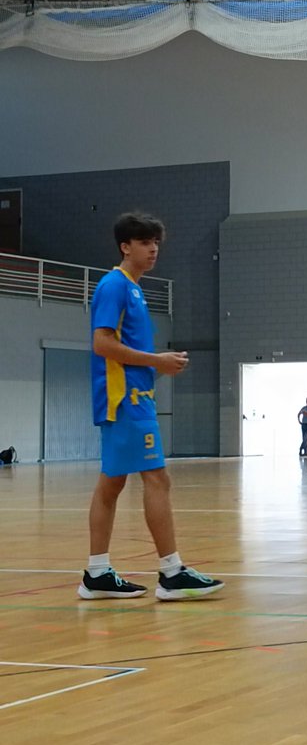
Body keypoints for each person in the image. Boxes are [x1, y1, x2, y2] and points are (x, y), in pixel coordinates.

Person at [78, 212, 224, 602]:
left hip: (134, 397)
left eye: (156, 242)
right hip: (124, 399)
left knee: (112, 483)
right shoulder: (115, 286)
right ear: (125, 247)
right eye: (145, 242)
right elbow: (102, 344)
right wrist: (156, 360)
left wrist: (155, 367)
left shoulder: (135, 289)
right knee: (157, 478)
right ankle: (172, 572)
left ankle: (96, 573)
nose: (153, 249)